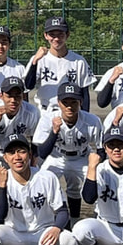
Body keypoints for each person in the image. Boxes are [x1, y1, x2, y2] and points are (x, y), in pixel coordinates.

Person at [0, 135, 77, 245]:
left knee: (70, 242)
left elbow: (62, 211)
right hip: (14, 235)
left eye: (21, 151)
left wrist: (57, 228)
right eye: (12, 152)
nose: (17, 157)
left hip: (43, 235)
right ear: (5, 158)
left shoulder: (47, 177)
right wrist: (2, 186)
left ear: (30, 155)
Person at [32, 82, 103, 220]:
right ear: (58, 103)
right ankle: (43, 220)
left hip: (82, 156)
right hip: (56, 156)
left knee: (98, 185)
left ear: (81, 102)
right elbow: (42, 152)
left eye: (73, 102)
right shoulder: (48, 118)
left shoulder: (92, 120)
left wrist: (96, 167)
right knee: (42, 183)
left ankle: (84, 221)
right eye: (65, 102)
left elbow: (101, 149)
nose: (69, 106)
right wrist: (54, 132)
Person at [0, 76, 41, 192]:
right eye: (9, 96)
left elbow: (35, 140)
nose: (13, 100)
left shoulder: (31, 112)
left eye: (17, 96)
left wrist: (32, 163)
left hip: (13, 152)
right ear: (1, 96)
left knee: (30, 177)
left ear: (23, 96)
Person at [24, 16, 95, 112]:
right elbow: (28, 86)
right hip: (45, 112)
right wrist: (35, 62)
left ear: (67, 35)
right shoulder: (39, 59)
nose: (56, 39)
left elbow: (84, 93)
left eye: (60, 34)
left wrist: (85, 115)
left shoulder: (79, 61)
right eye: (52, 35)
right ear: (46, 35)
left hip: (71, 113)